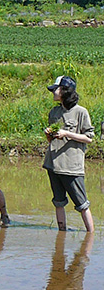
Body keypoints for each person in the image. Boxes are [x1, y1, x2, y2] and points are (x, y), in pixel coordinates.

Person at [43, 75, 95, 232]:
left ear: (65, 91)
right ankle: (62, 234)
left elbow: (89, 138)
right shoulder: (54, 112)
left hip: (71, 167)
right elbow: (51, 140)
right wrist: (48, 134)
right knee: (58, 202)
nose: (53, 92)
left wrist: (67, 133)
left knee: (82, 204)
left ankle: (90, 236)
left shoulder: (81, 112)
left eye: (55, 89)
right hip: (53, 164)